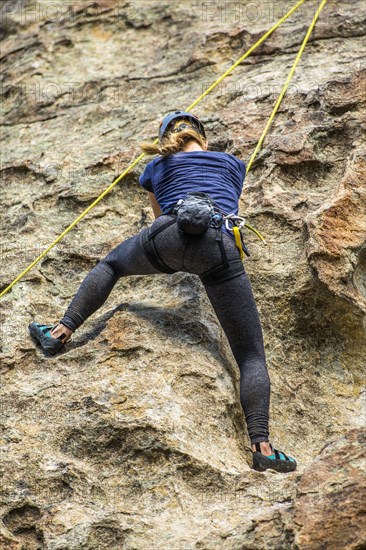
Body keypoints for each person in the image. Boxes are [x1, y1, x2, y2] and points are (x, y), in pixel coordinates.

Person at [29, 110, 297, 473]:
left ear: (165, 139)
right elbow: (229, 201)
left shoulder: (158, 166)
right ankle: (262, 447)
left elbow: (158, 216)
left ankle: (60, 332)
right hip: (217, 247)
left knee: (112, 264)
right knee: (250, 356)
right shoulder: (232, 163)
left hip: (167, 236)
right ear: (203, 139)